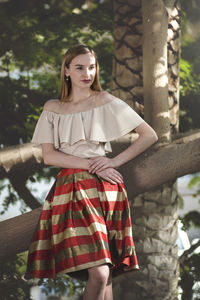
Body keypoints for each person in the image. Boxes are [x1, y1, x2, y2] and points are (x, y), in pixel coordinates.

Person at [25, 44, 158, 300]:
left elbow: (148, 135)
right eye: (80, 67)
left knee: (108, 275)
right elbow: (49, 156)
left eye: (92, 67)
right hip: (71, 190)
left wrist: (114, 162)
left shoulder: (105, 100)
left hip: (107, 189)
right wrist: (91, 164)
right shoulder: (53, 108)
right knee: (99, 274)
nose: (88, 73)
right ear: (66, 71)